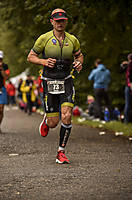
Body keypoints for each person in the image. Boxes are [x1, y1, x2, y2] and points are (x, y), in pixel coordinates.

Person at [27, 8, 83, 164]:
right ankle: (47, 120)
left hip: (66, 79)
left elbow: (79, 55)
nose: (60, 23)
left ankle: (61, 151)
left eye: (62, 20)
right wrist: (43, 61)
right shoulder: (43, 39)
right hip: (49, 80)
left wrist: (79, 63)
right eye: (57, 21)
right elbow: (30, 57)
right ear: (51, 21)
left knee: (67, 115)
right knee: (53, 123)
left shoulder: (72, 40)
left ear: (66, 21)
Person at [120, 53, 132, 123]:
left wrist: (122, 65)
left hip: (129, 86)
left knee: (128, 104)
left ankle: (126, 121)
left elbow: (121, 71)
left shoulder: (128, 65)